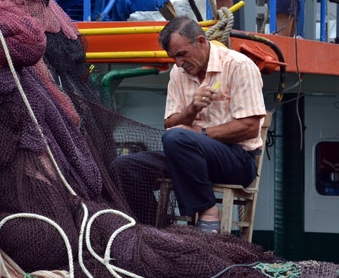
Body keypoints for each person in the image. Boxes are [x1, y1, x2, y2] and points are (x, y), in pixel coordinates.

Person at [111, 16, 266, 233]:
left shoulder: (238, 65)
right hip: (186, 155)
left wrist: (200, 134)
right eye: (174, 58)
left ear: (201, 42)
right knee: (123, 168)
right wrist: (191, 109)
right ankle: (159, 231)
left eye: (182, 54)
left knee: (178, 139)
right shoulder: (178, 73)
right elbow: (170, 123)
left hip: (237, 161)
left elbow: (250, 127)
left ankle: (208, 211)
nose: (179, 63)